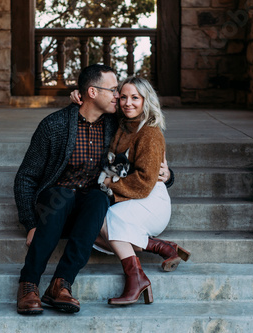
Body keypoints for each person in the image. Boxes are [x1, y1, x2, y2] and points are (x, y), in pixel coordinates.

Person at [14, 64, 172, 315]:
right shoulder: (54, 125)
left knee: (99, 199)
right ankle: (29, 284)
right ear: (91, 92)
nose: (119, 97)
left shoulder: (115, 125)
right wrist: (30, 222)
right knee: (63, 195)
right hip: (56, 203)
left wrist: (168, 176)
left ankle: (61, 284)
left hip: (89, 210)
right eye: (113, 91)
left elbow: (145, 145)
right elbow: (25, 177)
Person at [71, 76, 190, 306]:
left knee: (107, 220)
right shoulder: (120, 125)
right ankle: (160, 247)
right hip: (130, 196)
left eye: (135, 97)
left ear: (146, 100)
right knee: (91, 225)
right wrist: (78, 97)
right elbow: (94, 106)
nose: (128, 103)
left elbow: (145, 181)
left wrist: (107, 187)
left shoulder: (150, 132)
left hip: (150, 200)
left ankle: (136, 278)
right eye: (123, 97)